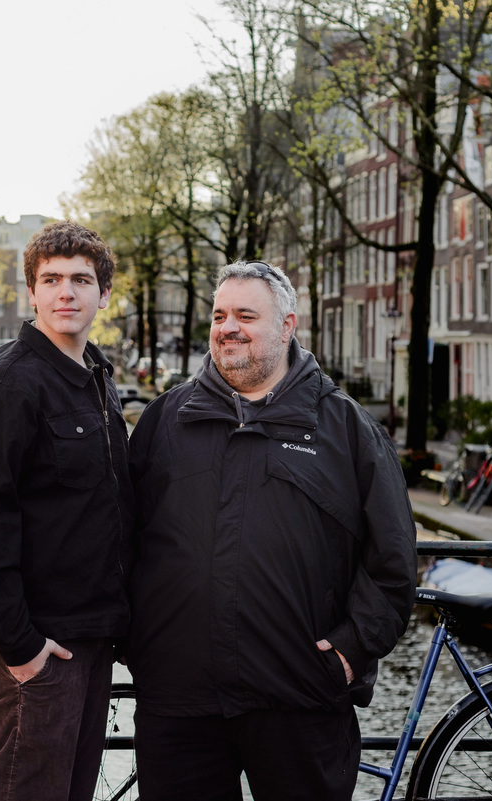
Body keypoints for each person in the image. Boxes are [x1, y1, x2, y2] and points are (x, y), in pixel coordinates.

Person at [126, 260, 417, 800]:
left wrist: (350, 651)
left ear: (287, 326)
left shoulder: (346, 429)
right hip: (179, 699)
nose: (227, 326)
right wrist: (138, 643)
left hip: (300, 695)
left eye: (245, 315)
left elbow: (393, 562)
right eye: (218, 315)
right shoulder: (166, 421)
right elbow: (119, 539)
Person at [0, 220, 135, 801]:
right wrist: (23, 648)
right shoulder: (8, 384)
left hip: (88, 636)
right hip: (36, 649)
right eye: (51, 279)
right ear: (31, 292)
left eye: (81, 280)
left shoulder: (96, 378)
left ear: (104, 295)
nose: (66, 293)